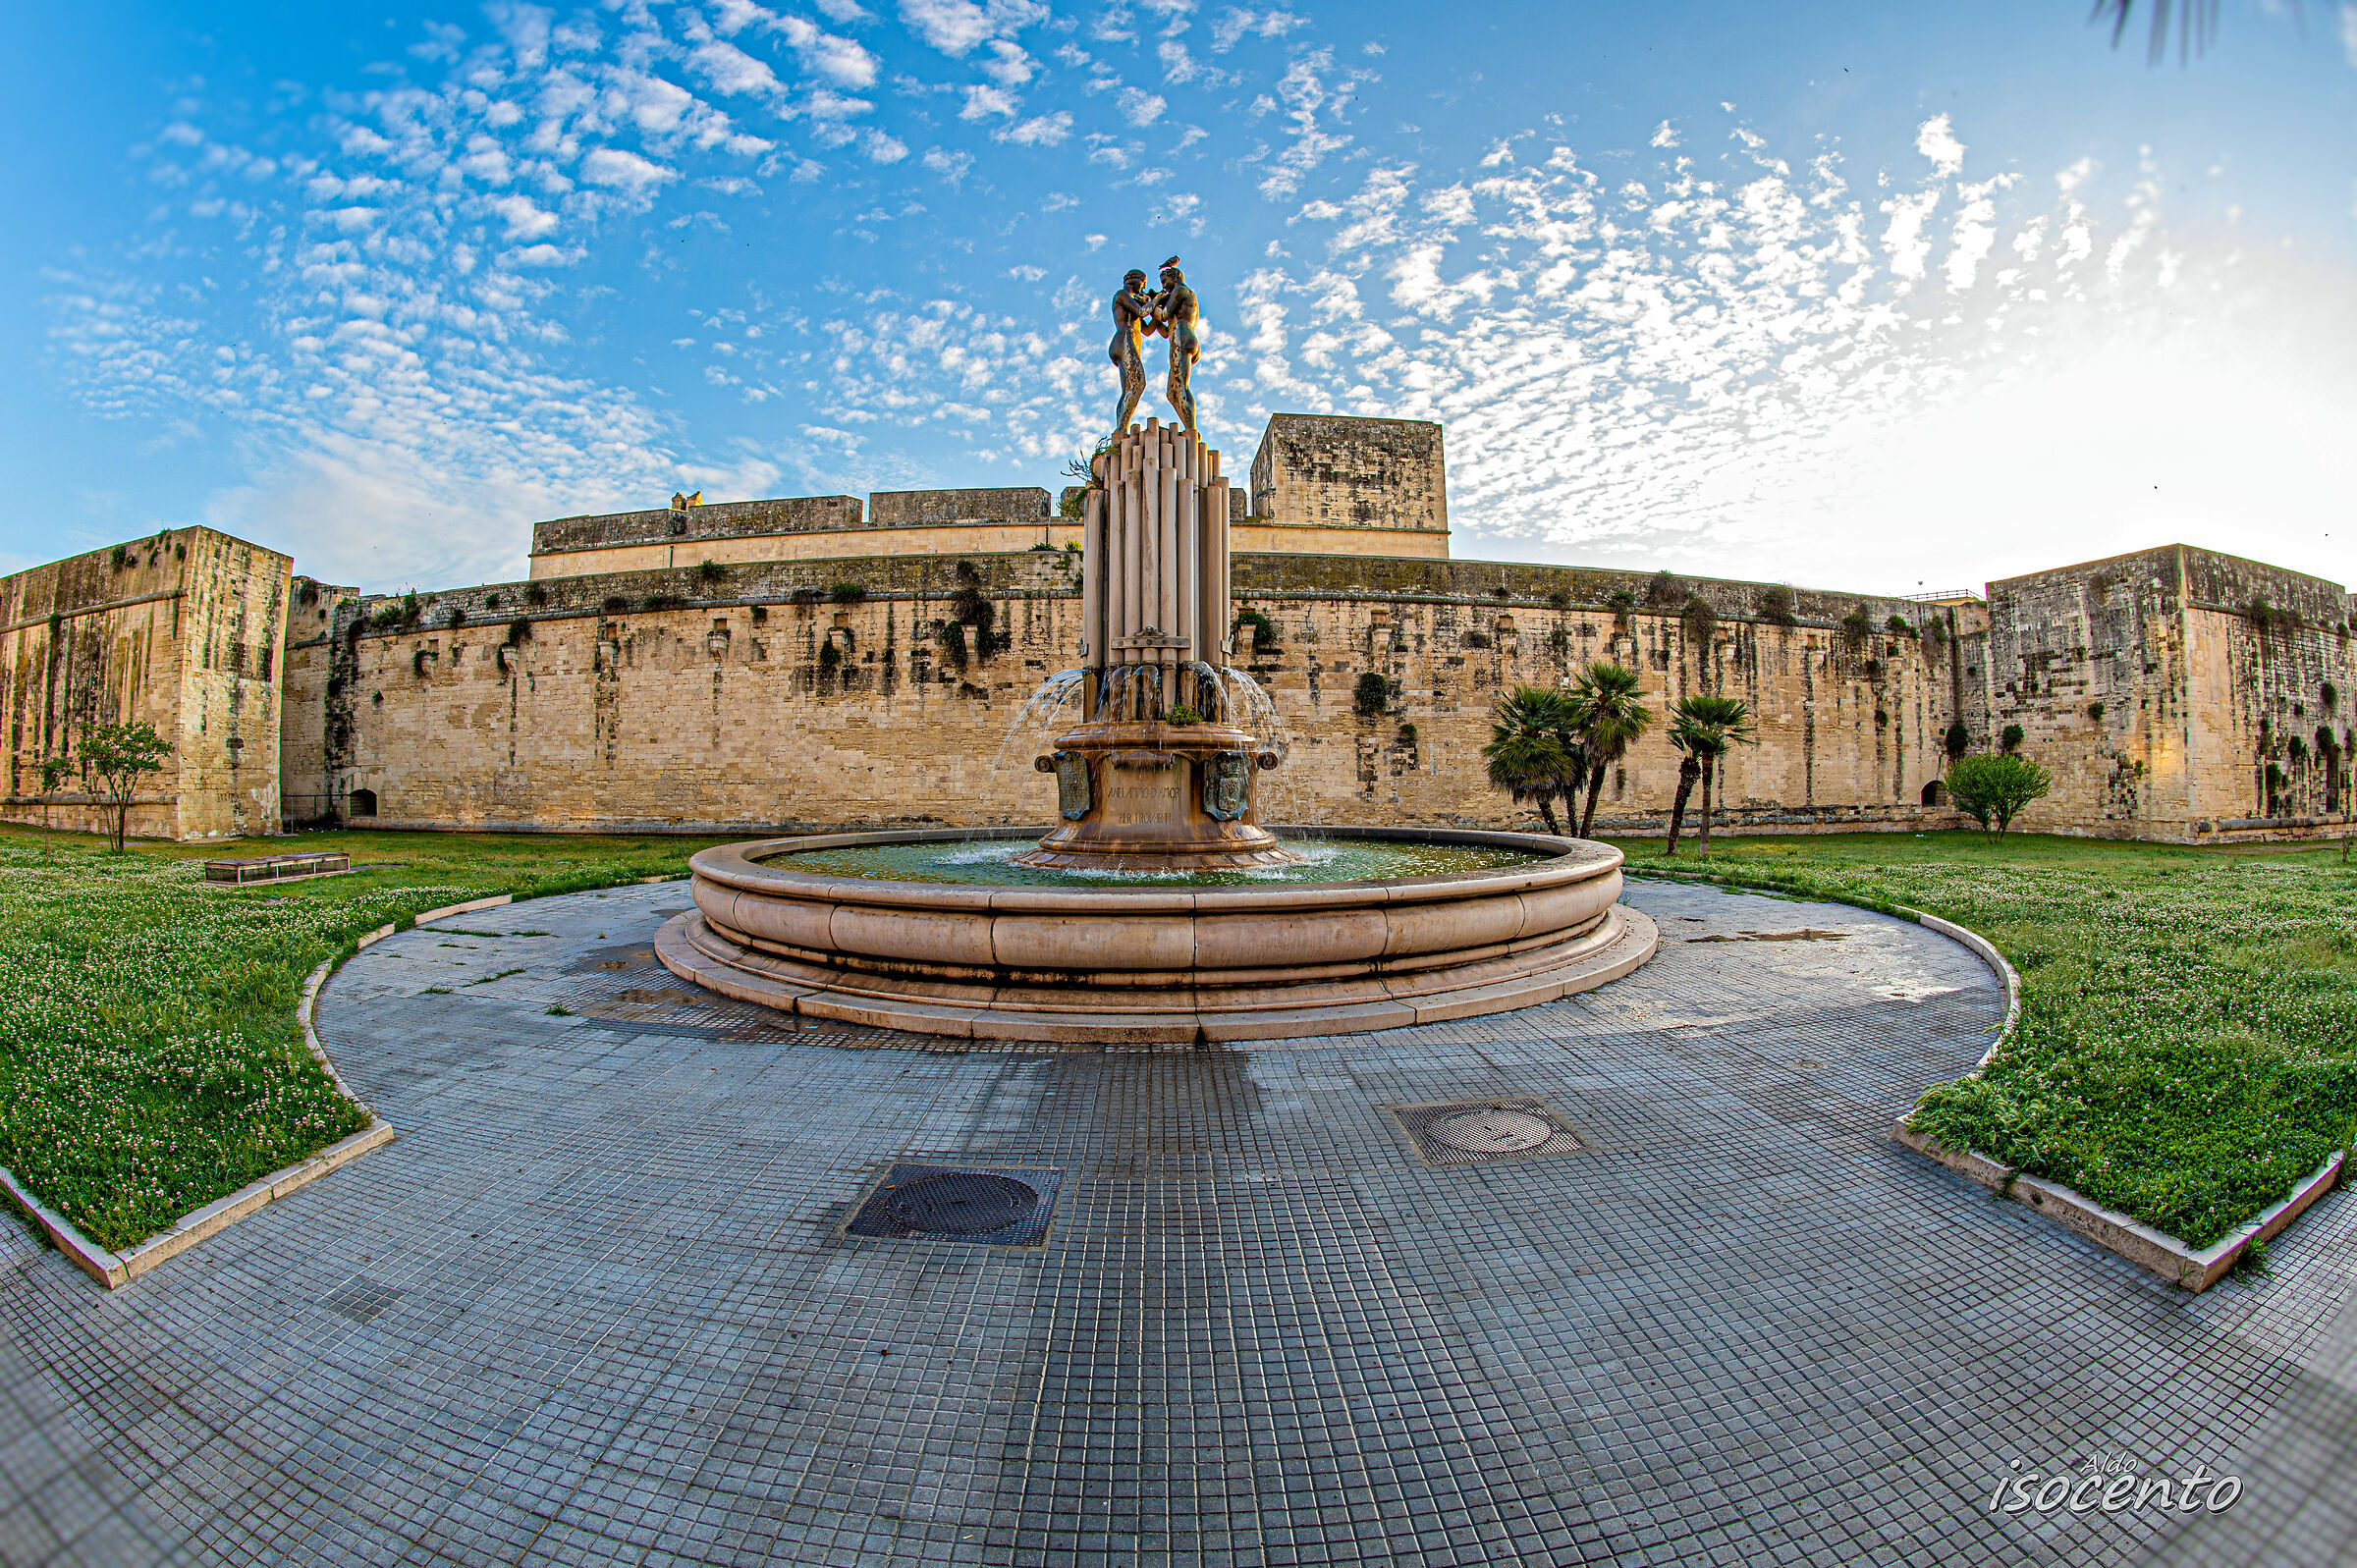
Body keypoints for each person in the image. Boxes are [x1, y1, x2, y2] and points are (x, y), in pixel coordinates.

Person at [1151, 256, 1200, 433]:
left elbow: (1163, 315)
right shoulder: (1180, 298)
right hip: (1179, 338)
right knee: (1172, 393)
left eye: (1165, 281)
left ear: (1175, 277)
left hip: (1182, 339)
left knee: (1180, 388)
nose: (1164, 286)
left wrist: (1151, 303)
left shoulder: (1180, 291)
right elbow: (1165, 331)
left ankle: (1191, 431)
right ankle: (1190, 428)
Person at [1107, 269, 1153, 434]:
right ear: (1134, 280)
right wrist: (1156, 301)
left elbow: (1147, 329)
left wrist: (1155, 310)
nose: (1144, 287)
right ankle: (1121, 428)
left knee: (1127, 390)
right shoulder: (1122, 295)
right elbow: (1141, 312)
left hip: (1128, 344)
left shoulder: (1131, 302)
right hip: (1124, 341)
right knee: (1139, 383)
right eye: (1143, 283)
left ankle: (1121, 427)